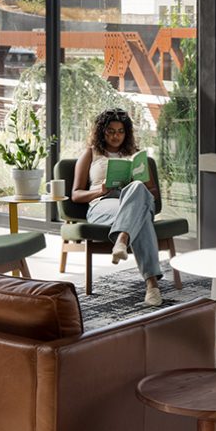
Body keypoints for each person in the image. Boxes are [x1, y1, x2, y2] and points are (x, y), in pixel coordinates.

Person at [71, 107, 168, 306]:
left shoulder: (135, 156)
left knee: (138, 188)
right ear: (102, 131)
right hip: (103, 204)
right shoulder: (91, 154)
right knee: (140, 219)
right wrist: (101, 190)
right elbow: (76, 194)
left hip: (133, 200)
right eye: (111, 131)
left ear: (127, 133)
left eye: (121, 131)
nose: (116, 136)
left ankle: (122, 239)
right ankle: (152, 287)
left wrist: (134, 185)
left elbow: (153, 192)